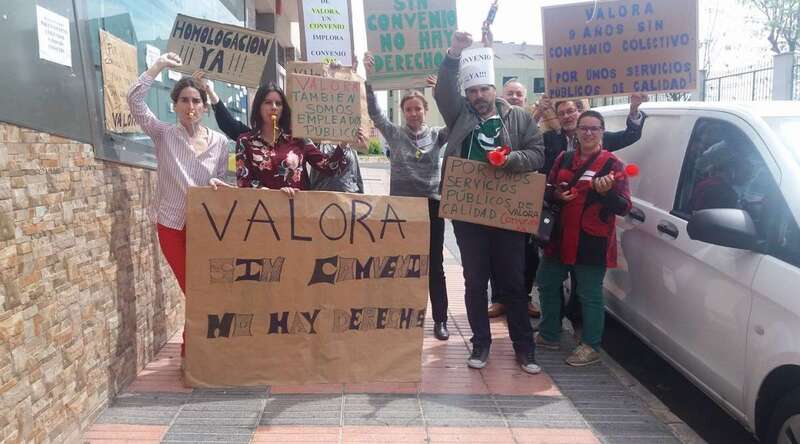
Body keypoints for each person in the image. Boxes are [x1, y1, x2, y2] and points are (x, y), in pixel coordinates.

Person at [434, 31, 545, 373]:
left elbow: (538, 154)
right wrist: (454, 52)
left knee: (512, 282)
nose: (479, 96)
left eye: (484, 89)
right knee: (474, 281)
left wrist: (509, 159)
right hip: (469, 214)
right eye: (472, 91)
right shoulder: (459, 115)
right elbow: (442, 89)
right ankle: (480, 344)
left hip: (507, 213)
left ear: (494, 89)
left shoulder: (518, 117)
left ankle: (524, 348)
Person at [127, 52, 230, 356]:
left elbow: (221, 179)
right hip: (172, 225)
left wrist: (216, 185)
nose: (190, 106)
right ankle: (193, 352)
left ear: (204, 106)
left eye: (196, 100)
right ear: (175, 105)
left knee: (204, 288)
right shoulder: (163, 134)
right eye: (184, 100)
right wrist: (157, 67)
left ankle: (196, 350)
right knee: (194, 288)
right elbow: (134, 101)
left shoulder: (220, 143)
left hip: (206, 227)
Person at [363, 53, 450, 341]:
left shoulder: (438, 135)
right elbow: (375, 113)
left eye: (418, 108)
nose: (414, 113)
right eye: (408, 109)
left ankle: (440, 321)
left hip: (432, 207)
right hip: (401, 209)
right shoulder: (394, 133)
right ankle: (401, 318)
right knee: (402, 264)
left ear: (426, 110)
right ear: (403, 112)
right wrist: (370, 78)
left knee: (434, 265)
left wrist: (441, 92)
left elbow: (457, 118)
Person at [536, 110, 632, 367]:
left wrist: (607, 193)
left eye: (594, 128)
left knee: (589, 294)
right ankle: (549, 334)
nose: (588, 133)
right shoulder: (563, 158)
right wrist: (556, 196)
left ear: (602, 132)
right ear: (576, 132)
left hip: (591, 241)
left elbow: (624, 207)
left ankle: (591, 345)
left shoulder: (614, 165)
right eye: (584, 128)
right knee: (546, 283)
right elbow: (547, 190)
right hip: (558, 237)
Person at [197, 72, 360, 194]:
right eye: (268, 102)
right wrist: (273, 194)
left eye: (278, 103)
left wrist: (344, 143)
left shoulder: (299, 139)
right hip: (263, 218)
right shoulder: (245, 141)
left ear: (283, 108)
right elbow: (244, 182)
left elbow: (328, 168)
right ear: (259, 107)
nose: (274, 107)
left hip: (300, 218)